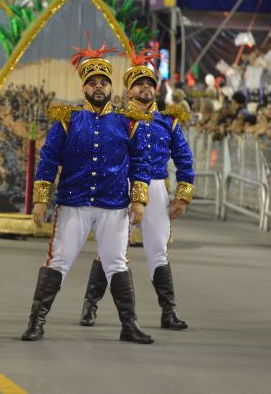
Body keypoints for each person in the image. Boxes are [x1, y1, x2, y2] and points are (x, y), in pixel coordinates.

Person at [21, 42, 153, 345]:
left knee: (117, 263)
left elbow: (141, 163)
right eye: (92, 82)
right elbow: (49, 159)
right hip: (73, 204)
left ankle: (129, 325)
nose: (98, 87)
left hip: (115, 206)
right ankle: (36, 322)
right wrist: (40, 200)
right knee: (58, 262)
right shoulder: (67, 120)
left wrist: (139, 199)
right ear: (84, 87)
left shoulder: (128, 122)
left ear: (110, 87)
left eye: (103, 82)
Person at [78, 45, 194, 331]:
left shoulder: (168, 122)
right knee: (110, 249)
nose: (145, 88)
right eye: (139, 84)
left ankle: (168, 312)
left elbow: (184, 158)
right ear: (128, 91)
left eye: (149, 84)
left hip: (155, 188)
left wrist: (183, 196)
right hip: (122, 187)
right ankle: (90, 306)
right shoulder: (118, 119)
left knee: (159, 251)